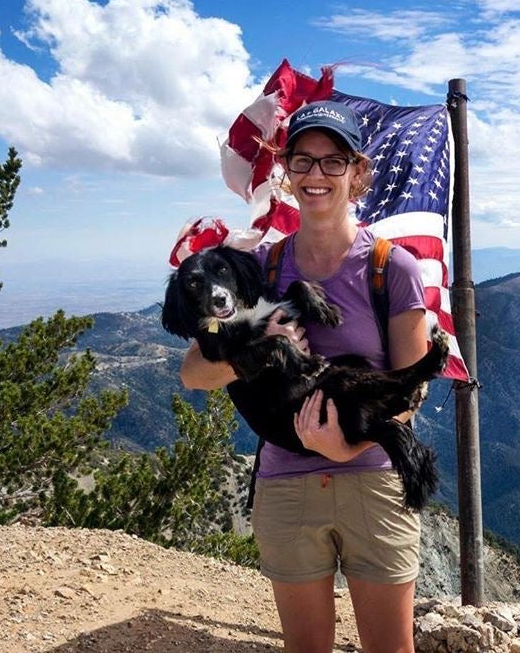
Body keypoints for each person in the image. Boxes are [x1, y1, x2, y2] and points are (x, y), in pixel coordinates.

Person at [180, 100, 428, 653]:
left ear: (357, 173)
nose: (316, 175)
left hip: (371, 479)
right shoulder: (256, 268)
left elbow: (408, 389)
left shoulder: (394, 268)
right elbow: (194, 373)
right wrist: (256, 349)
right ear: (286, 174)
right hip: (286, 483)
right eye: (303, 161)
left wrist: (346, 444)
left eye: (333, 162)